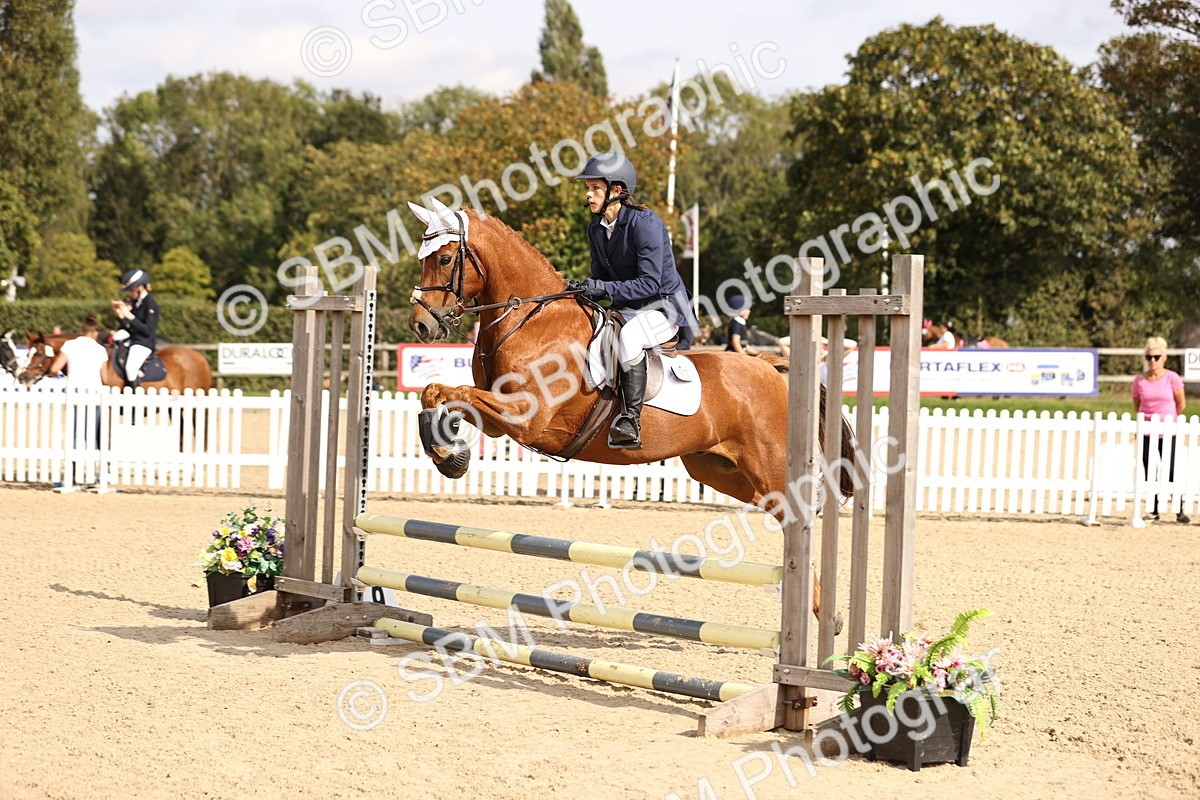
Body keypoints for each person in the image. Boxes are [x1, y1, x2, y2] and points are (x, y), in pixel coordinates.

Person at [568, 152, 700, 450]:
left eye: (594, 188)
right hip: (626, 308)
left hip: (663, 307)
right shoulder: (596, 229)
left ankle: (631, 419)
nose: (588, 195)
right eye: (587, 188)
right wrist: (582, 290)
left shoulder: (646, 223)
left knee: (628, 337)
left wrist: (601, 288)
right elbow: (602, 279)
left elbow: (650, 283)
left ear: (616, 191)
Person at [45, 315, 110, 488]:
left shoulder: (70, 345)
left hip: (75, 394)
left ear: (81, 331)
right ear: (95, 332)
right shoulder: (100, 349)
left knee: (75, 435)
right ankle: (95, 476)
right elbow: (105, 378)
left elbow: (54, 368)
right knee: (93, 435)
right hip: (94, 395)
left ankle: (72, 476)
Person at [1132, 336, 1189, 523]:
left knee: (1171, 469)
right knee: (1150, 470)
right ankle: (1153, 509)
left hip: (1168, 430)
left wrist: (1169, 417)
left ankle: (1179, 509)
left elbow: (1181, 403)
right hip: (1147, 430)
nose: (1153, 361)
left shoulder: (1172, 378)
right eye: (1149, 357)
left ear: (1163, 357)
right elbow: (1137, 404)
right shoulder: (1139, 380)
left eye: (1156, 357)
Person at [111, 269, 159, 390]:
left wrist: (130, 316)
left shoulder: (150, 303)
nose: (131, 293)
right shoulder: (138, 302)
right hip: (133, 340)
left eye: (132, 289)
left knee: (130, 368)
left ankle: (134, 399)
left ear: (140, 287)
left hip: (144, 343)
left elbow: (148, 330)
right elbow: (129, 326)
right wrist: (120, 314)